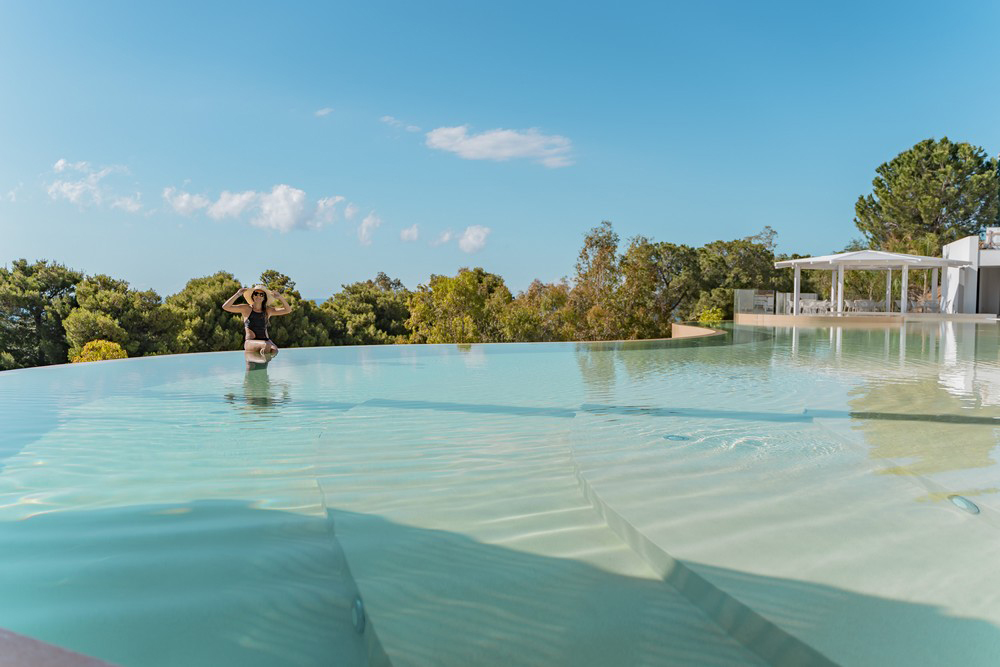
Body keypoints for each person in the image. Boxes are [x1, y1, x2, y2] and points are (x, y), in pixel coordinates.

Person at [221, 284, 294, 357]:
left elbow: (288, 310)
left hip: (266, 340)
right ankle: (261, 358)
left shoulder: (268, 310)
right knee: (267, 346)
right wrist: (237, 294)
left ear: (264, 298)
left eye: (261, 294)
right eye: (256, 294)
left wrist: (280, 297)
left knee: (274, 351)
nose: (258, 296)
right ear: (252, 296)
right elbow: (225, 307)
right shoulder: (246, 309)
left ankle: (263, 359)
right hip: (250, 342)